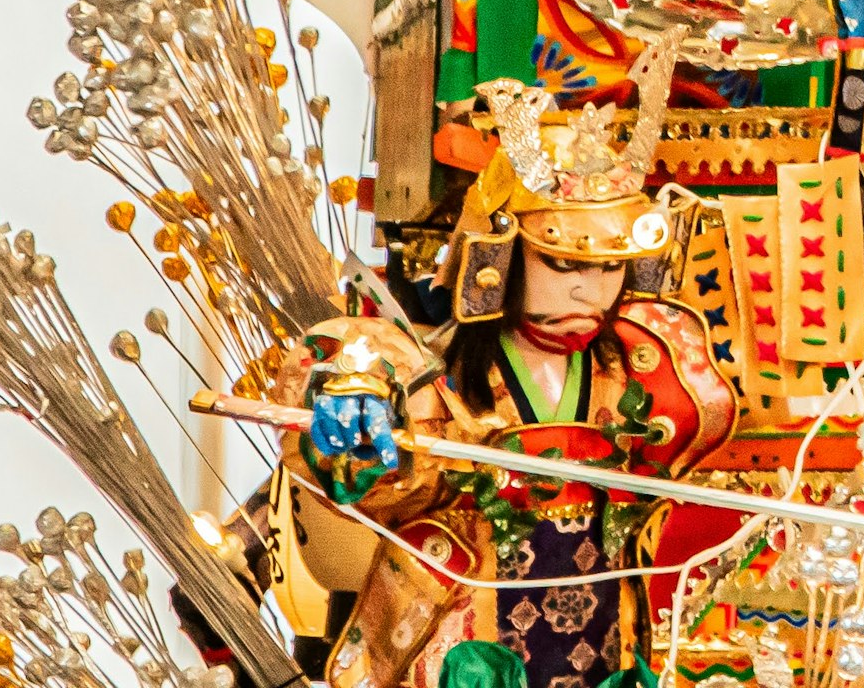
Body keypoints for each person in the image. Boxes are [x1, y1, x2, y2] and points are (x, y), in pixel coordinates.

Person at [285, 85, 736, 688]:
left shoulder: (640, 368)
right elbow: (368, 441)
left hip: (601, 641)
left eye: (610, 266)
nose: (591, 292)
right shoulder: (434, 378)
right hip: (465, 645)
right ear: (497, 256)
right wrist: (356, 411)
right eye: (564, 262)